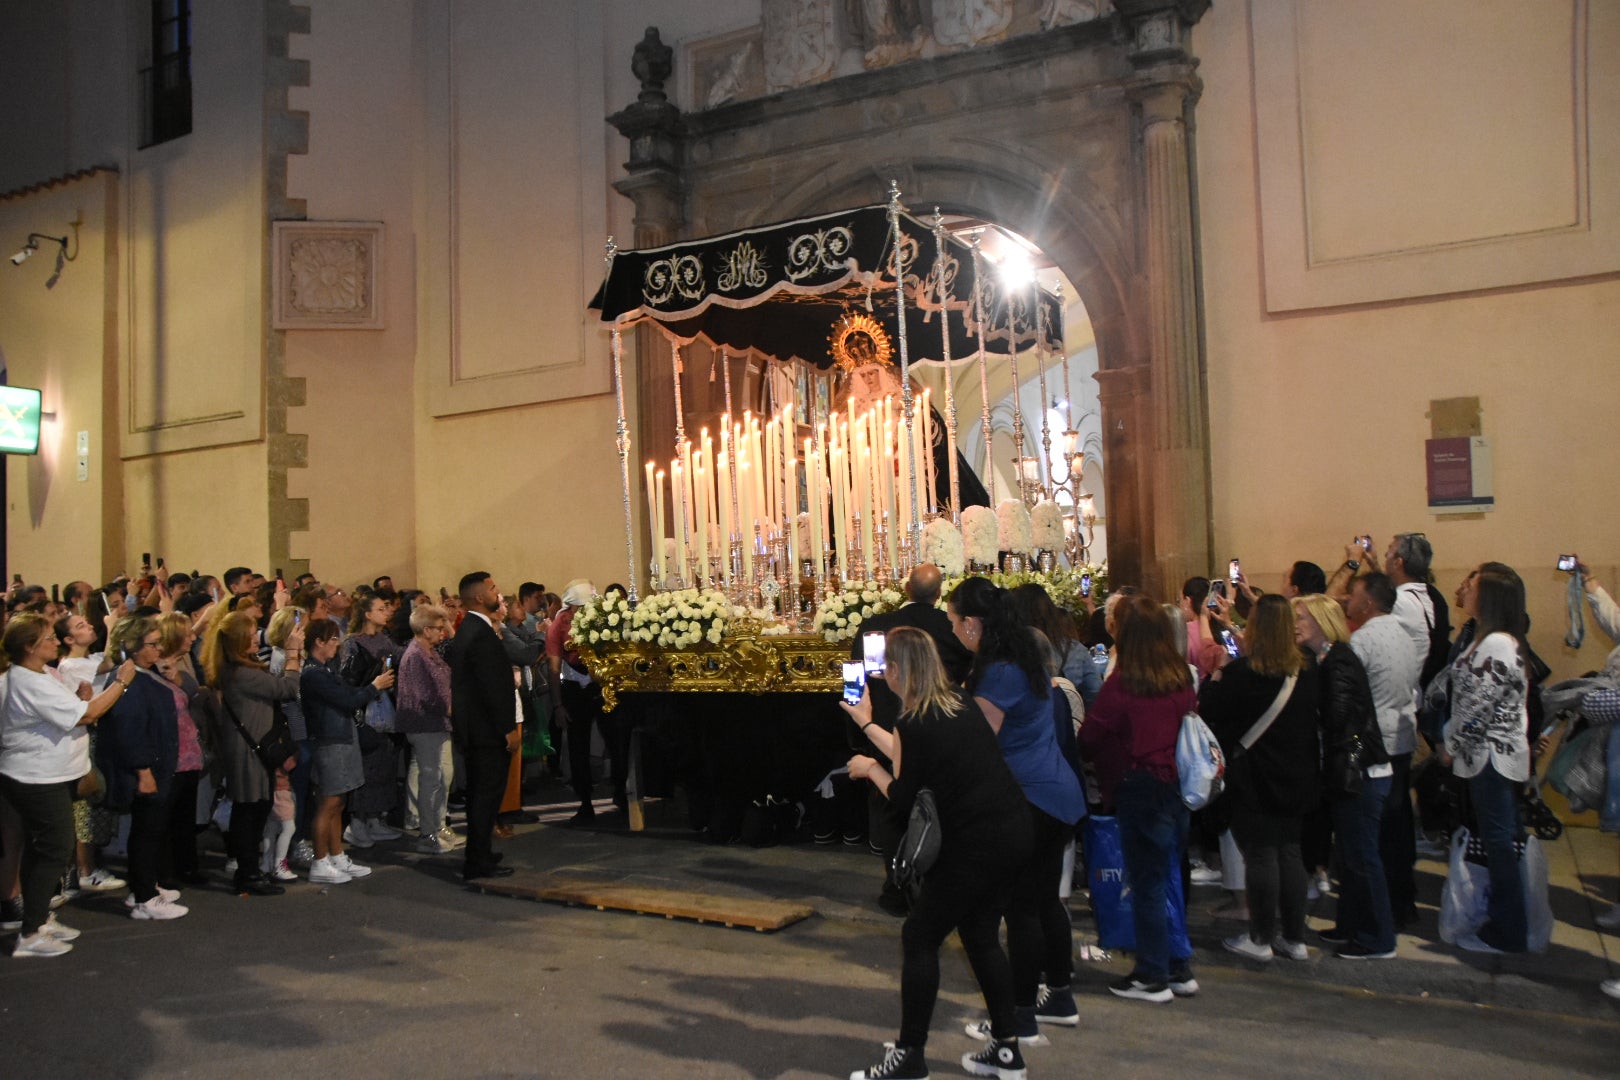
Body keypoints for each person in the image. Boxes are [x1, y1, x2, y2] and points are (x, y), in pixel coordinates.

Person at [844, 626, 1032, 1080]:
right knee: (982, 935)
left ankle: (910, 1057)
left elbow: (904, 793)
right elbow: (915, 756)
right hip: (1011, 832)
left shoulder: (914, 720)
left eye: (887, 665)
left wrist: (869, 769)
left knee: (920, 936)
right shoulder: (958, 703)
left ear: (899, 670)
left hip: (973, 845)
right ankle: (1008, 1049)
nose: (882, 672)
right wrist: (867, 724)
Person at [948, 576, 1085, 1042]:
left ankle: (1021, 1015)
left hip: (1031, 798)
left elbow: (980, 744)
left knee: (1021, 910)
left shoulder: (1000, 670)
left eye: (953, 622)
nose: (952, 630)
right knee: (1046, 902)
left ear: (971, 623)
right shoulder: (1023, 655)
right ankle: (1059, 995)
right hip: (1056, 793)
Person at [1079, 596, 1200, 1002]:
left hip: (1139, 787)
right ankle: (1178, 965)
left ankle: (1152, 974)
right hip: (1175, 786)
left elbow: (1092, 735)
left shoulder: (1126, 681)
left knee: (1146, 883)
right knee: (1168, 879)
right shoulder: (1179, 675)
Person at [0, 613, 136, 956]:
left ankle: (39, 919)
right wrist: (120, 683)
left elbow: (73, 709)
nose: (56, 642)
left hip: (48, 773)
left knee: (40, 849)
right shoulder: (28, 681)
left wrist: (81, 696)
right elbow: (87, 715)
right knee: (56, 849)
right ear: (30, 647)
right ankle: (30, 934)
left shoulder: (38, 674)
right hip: (37, 777)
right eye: (48, 638)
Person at [1199, 593, 1321, 963]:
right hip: (1298, 773)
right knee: (1290, 851)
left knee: (1261, 855)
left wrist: (1217, 672)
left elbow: (1211, 711)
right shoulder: (1308, 669)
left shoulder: (1243, 674)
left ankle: (1261, 937)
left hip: (1255, 776)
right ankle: (1295, 938)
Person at [850, 563, 971, 916]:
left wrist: (860, 719)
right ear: (938, 594)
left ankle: (897, 884)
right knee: (930, 806)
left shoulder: (873, 626)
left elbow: (855, 672)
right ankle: (927, 884)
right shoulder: (948, 629)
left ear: (906, 589)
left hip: (881, 721)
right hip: (934, 725)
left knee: (891, 808)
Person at [1426, 565, 1532, 953]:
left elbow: (1478, 707)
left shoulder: (1498, 645)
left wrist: (1449, 745)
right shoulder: (1482, 639)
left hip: (1492, 758)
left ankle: (1509, 930)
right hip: (1483, 757)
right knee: (1497, 841)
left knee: (1500, 843)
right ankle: (1505, 921)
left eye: (1471, 585)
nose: (1463, 589)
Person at [1294, 593, 1395, 959]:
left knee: (1363, 858)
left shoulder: (1337, 662)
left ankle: (1379, 937)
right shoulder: (1328, 659)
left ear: (1322, 621)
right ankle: (1352, 926)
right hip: (1356, 772)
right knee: (1351, 858)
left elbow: (1341, 724)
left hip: (1360, 774)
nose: (1296, 624)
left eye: (1302, 617)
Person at [203, 610, 302, 896]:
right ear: (237, 643)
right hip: (249, 751)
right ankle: (247, 874)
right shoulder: (241, 672)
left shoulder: (239, 667)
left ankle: (250, 870)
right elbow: (287, 688)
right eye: (250, 638)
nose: (257, 641)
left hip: (250, 747)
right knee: (249, 811)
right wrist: (293, 653)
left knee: (253, 809)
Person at [98, 616, 190, 920]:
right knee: (146, 832)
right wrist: (143, 770)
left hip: (158, 764)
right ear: (131, 646)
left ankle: (145, 884)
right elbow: (129, 730)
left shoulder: (144, 674)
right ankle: (144, 898)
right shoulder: (129, 680)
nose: (158, 648)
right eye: (152, 644)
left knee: (152, 830)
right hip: (146, 768)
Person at [1345, 572, 1423, 926]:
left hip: (1376, 747)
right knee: (1397, 827)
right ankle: (1401, 899)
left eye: (1354, 594)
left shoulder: (1364, 640)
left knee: (1371, 836)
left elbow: (1349, 695)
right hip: (1402, 740)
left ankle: (1378, 913)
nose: (1348, 599)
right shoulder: (1404, 635)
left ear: (1370, 601)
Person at [300, 619, 393, 884]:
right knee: (328, 803)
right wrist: (375, 686)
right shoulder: (313, 674)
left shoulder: (326, 670)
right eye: (331, 640)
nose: (336, 644)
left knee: (339, 803)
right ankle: (320, 861)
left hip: (342, 737)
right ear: (318, 641)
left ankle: (337, 855)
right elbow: (348, 699)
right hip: (330, 742)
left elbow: (350, 692)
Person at [448, 571, 518, 880]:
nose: (497, 591)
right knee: (485, 795)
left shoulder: (473, 629)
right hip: (487, 731)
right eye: (492, 588)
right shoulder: (478, 633)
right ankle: (477, 860)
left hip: (478, 729)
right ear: (479, 597)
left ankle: (481, 852)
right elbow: (491, 688)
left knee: (483, 793)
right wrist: (507, 729)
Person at [339, 593, 405, 846]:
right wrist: (373, 684)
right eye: (380, 608)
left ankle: (375, 819)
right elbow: (348, 680)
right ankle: (357, 822)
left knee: (384, 766)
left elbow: (402, 656)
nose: (386, 612)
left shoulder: (385, 640)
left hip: (384, 708)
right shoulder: (354, 644)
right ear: (367, 614)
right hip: (364, 710)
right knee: (367, 767)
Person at [398, 604, 459, 855]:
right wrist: (451, 708)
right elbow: (424, 695)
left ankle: (439, 824)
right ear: (425, 630)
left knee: (443, 775)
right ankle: (427, 832)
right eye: (437, 628)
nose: (442, 632)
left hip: (438, 724)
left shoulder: (429, 652)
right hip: (425, 724)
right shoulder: (415, 656)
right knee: (430, 778)